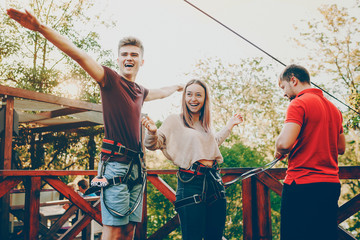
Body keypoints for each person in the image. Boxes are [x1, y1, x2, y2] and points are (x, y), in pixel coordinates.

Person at [7, 8, 183, 240]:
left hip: (137, 168)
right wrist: (40, 28)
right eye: (125, 54)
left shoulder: (140, 91)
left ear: (142, 60)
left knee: (129, 229)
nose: (129, 58)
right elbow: (79, 55)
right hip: (115, 166)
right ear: (118, 59)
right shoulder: (109, 79)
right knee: (112, 231)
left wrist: (179, 88)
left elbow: (161, 92)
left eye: (134, 54)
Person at [142, 79, 243, 240]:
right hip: (191, 183)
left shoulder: (205, 125)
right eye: (189, 94)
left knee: (215, 236)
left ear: (205, 99)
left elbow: (212, 144)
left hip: (214, 181)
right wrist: (152, 132)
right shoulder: (175, 120)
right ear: (184, 98)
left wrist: (229, 126)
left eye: (198, 95)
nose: (193, 99)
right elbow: (153, 144)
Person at [274, 64, 346, 240]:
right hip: (330, 186)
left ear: (293, 80)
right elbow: (341, 148)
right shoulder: (334, 109)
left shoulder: (298, 103)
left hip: (301, 185)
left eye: (283, 87)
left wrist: (278, 148)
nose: (284, 93)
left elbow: (284, 144)